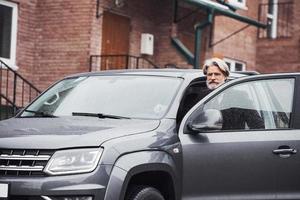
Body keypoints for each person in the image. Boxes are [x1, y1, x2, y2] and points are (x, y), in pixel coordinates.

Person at [177, 58, 230, 124]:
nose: (212, 78)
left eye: (217, 74)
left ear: (225, 76)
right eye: (210, 74)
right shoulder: (198, 97)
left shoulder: (237, 96)